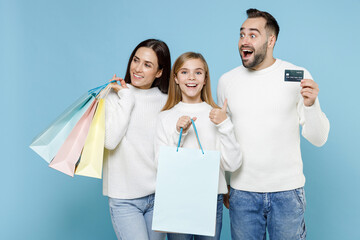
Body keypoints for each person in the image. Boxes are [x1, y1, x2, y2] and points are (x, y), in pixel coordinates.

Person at [217, 9, 330, 240]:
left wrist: (311, 105)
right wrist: (225, 184)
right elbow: (223, 138)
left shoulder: (297, 75)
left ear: (271, 40)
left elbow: (319, 138)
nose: (243, 41)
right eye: (241, 35)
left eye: (252, 35)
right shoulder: (227, 81)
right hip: (242, 193)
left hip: (287, 194)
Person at [155, 52, 242, 240]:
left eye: (198, 73)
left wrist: (224, 125)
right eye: (184, 72)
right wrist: (178, 133)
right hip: (176, 198)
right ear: (176, 78)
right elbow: (160, 165)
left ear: (205, 79)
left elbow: (233, 164)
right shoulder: (165, 117)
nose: (192, 78)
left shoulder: (217, 115)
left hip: (211, 198)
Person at [103, 39, 171, 240]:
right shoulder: (114, 96)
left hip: (159, 196)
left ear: (159, 72)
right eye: (136, 60)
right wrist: (127, 98)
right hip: (125, 199)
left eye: (147, 64)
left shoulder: (166, 100)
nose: (138, 69)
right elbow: (110, 141)